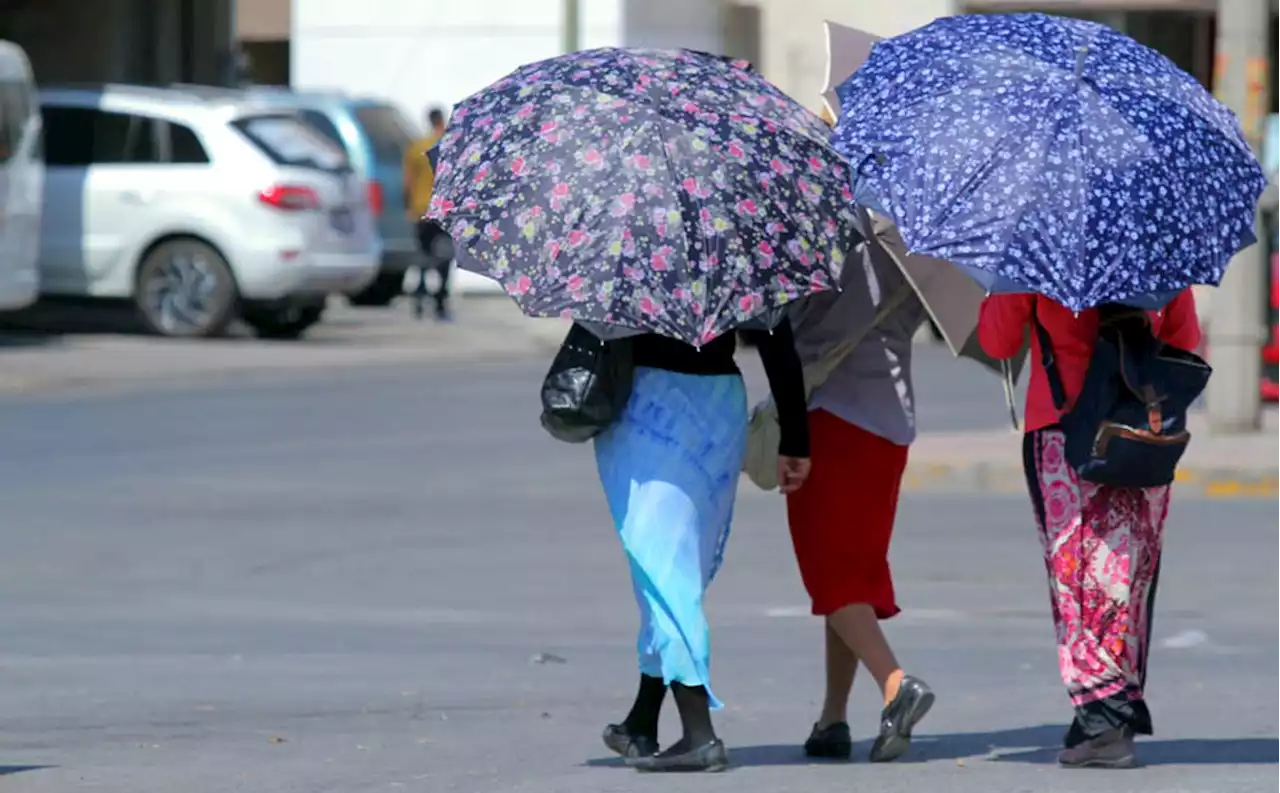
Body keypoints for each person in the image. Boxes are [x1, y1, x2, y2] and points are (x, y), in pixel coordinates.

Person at [977, 289, 1201, 769]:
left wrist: (1004, 289)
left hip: (1062, 431)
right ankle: (1104, 712)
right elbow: (1186, 338)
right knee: (1128, 573)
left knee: (1076, 574)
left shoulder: (1039, 252)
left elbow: (996, 343)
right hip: (1142, 430)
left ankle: (1103, 719)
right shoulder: (1156, 243)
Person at [596, 323, 810, 773]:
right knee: (672, 571)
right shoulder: (740, 252)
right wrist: (795, 438)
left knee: (664, 574)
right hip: (718, 404)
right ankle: (642, 720)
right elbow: (776, 338)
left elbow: (596, 325)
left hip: (648, 403)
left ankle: (699, 733)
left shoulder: (623, 252)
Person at [785, 209, 935, 763]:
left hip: (829, 413)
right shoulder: (919, 233)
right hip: (890, 419)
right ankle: (833, 716)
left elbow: (780, 320)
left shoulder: (819, 228)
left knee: (832, 573)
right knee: (852, 569)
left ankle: (896, 685)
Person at [404, 106, 452, 321]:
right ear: (442, 120)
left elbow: (407, 182)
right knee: (444, 258)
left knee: (423, 256)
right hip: (444, 211)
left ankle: (419, 297)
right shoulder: (450, 146)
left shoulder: (417, 147)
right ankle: (440, 303)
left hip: (421, 209)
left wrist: (409, 206)